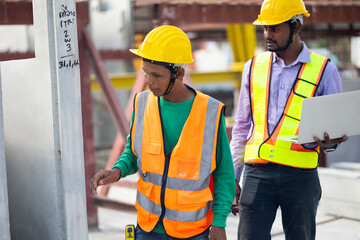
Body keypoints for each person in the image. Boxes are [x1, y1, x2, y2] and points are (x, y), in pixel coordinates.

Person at [90, 25, 235, 240]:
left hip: (192, 232)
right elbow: (133, 152)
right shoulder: (142, 103)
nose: (149, 81)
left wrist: (219, 222)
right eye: (146, 73)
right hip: (148, 228)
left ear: (179, 73)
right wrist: (117, 171)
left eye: (156, 75)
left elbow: (224, 173)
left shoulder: (210, 112)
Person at [230, 0, 348, 239]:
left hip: (300, 176)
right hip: (256, 173)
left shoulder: (325, 70)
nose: (267, 34)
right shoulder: (252, 68)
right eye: (265, 28)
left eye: (274, 28)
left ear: (296, 27)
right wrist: (232, 178)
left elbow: (336, 127)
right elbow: (242, 128)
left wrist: (331, 142)